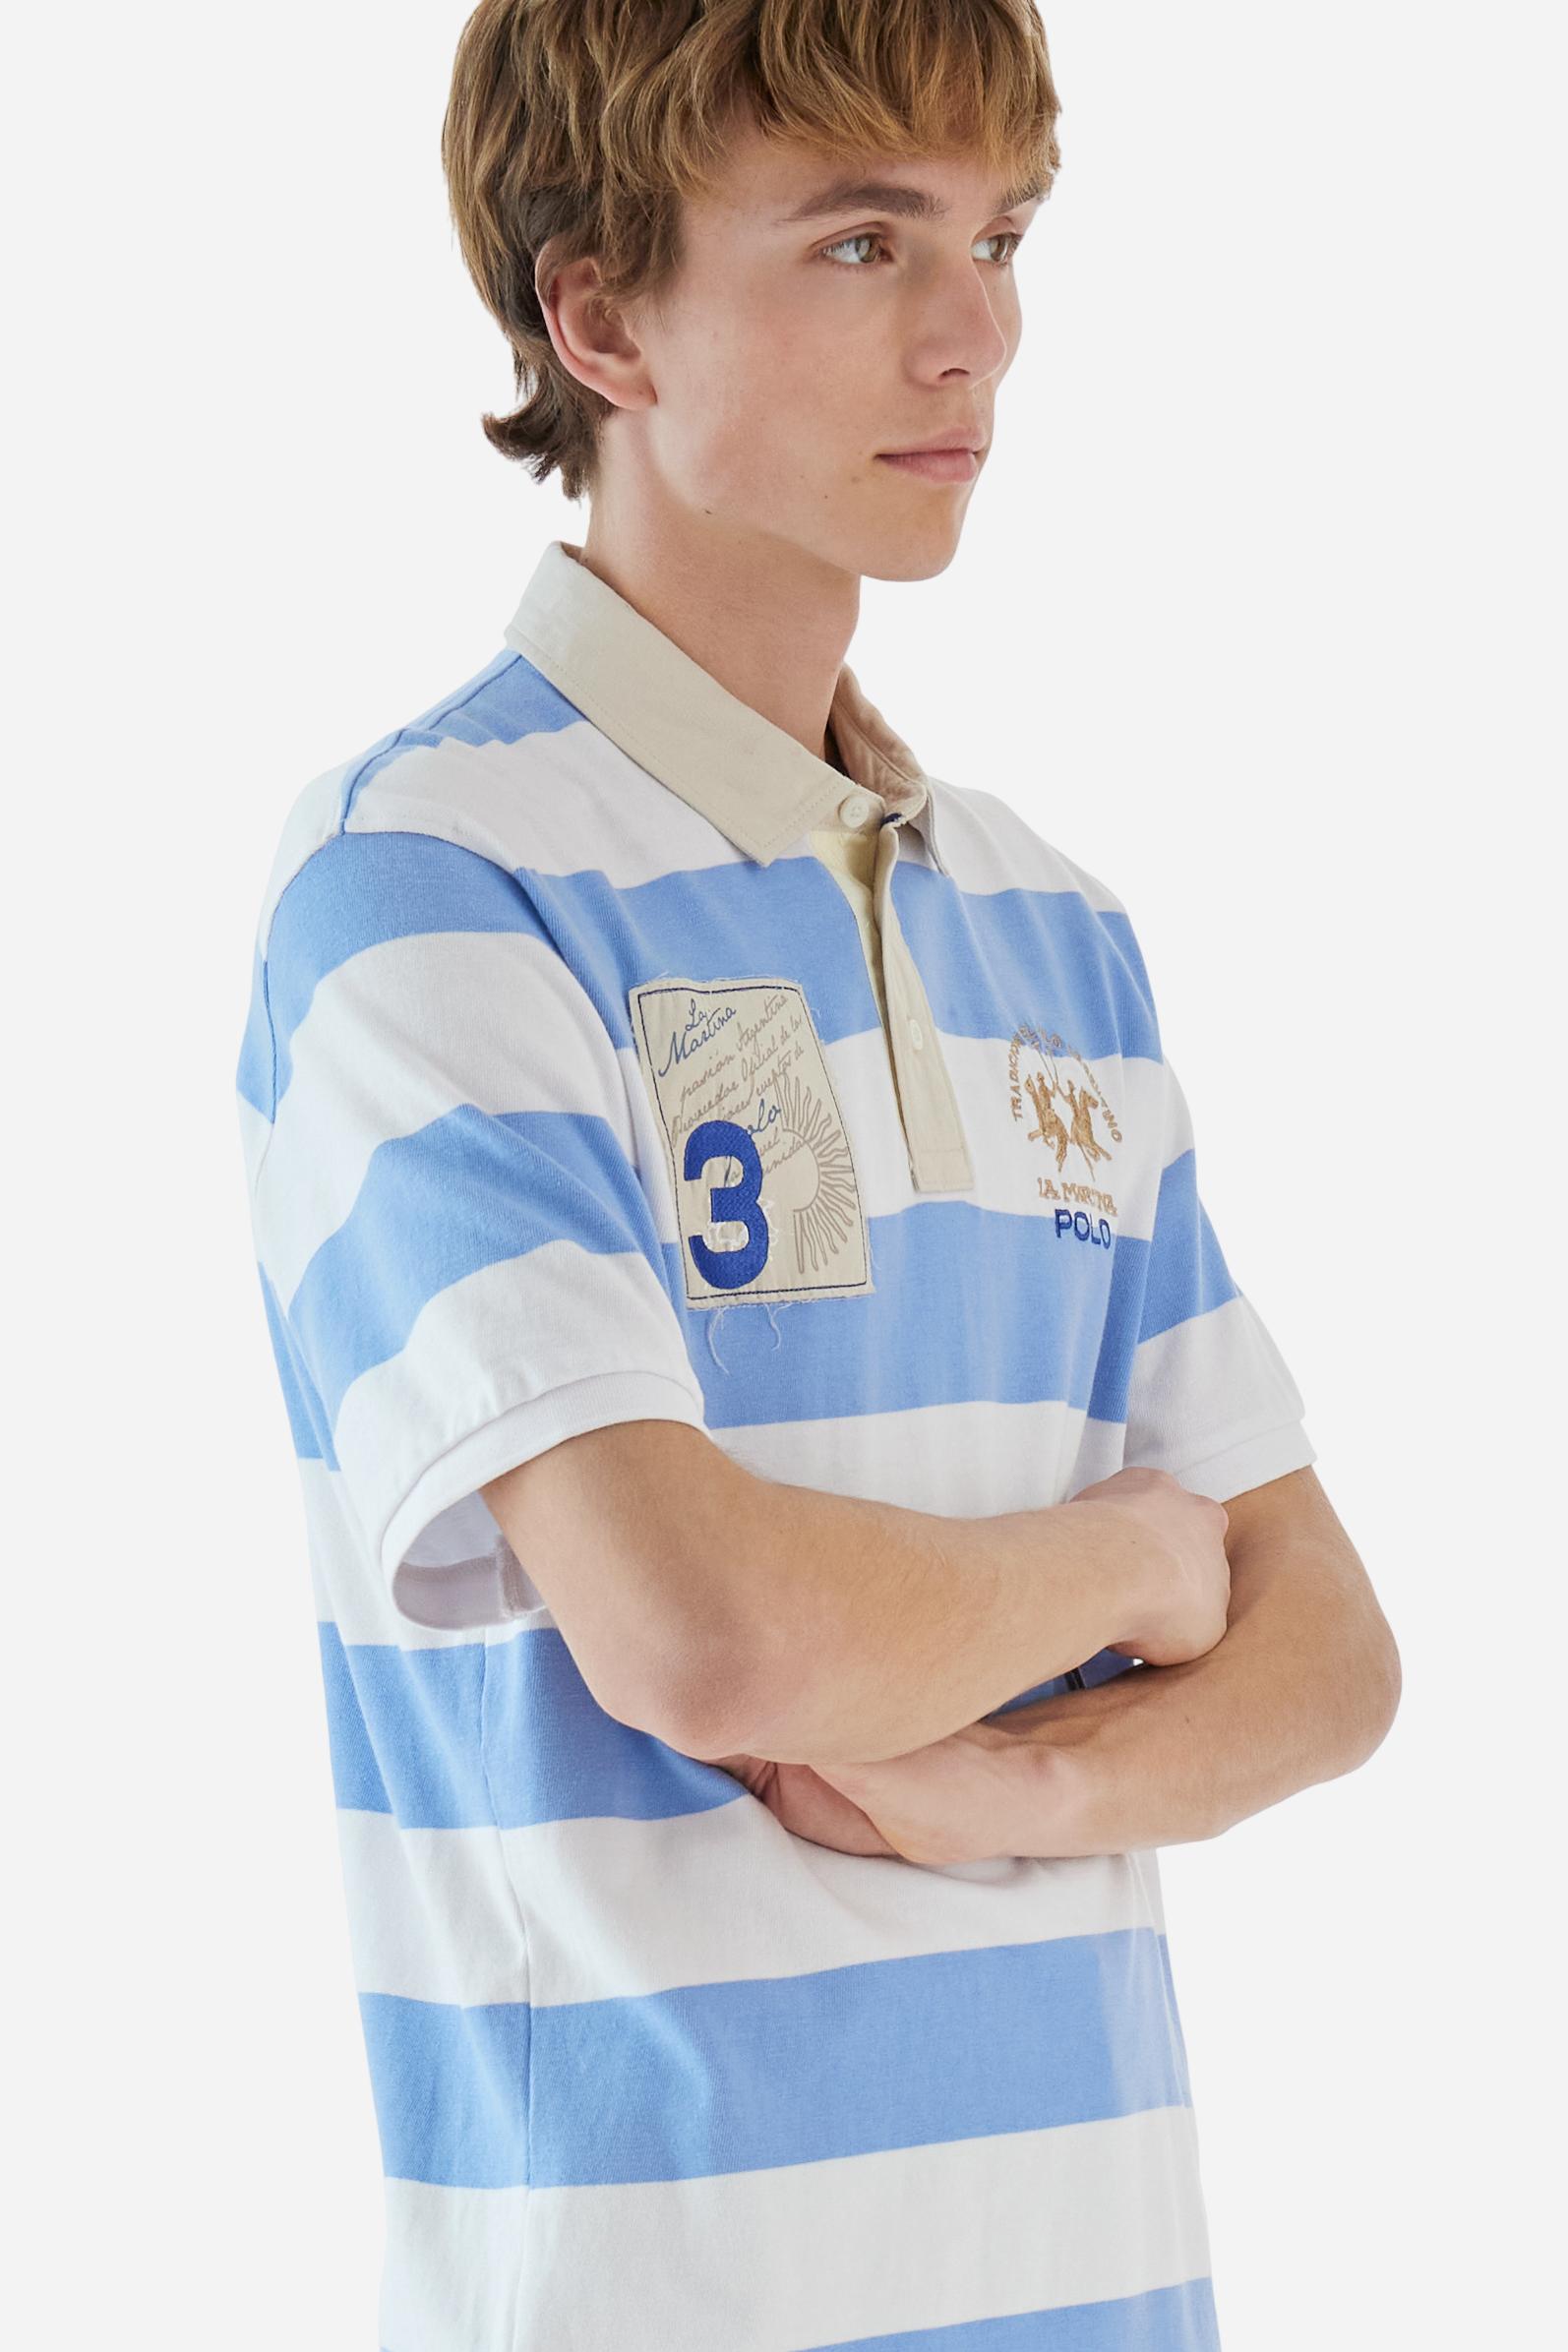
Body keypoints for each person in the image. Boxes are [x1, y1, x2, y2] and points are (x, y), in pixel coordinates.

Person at [234, 4, 1401, 2345]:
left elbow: (1329, 1657)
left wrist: (1007, 1787)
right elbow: (705, 1632)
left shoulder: (1052, 928)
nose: (972, 332)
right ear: (598, 317)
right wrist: (1131, 1559)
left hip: (1108, 2292)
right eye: (863, 243)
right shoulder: (429, 881)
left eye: (997, 237)